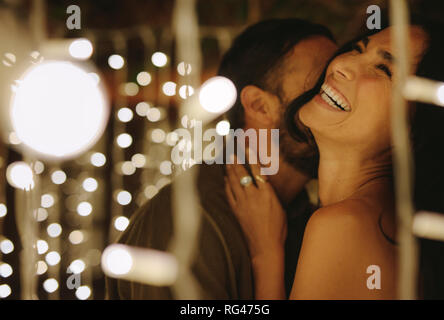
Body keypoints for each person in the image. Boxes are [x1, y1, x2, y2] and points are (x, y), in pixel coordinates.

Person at [105, 18, 337, 299]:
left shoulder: (310, 215)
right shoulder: (189, 222)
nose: (338, 99)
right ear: (258, 105)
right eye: (321, 85)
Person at [225, 18, 444, 299]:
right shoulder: (382, 223)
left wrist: (266, 256)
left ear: (417, 130)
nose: (340, 65)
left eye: (383, 69)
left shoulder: (342, 225)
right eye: (357, 49)